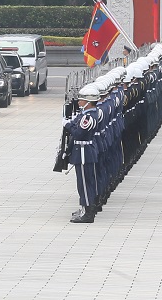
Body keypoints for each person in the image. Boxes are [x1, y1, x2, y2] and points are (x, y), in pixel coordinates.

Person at [65, 84, 101, 223]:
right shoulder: (86, 115)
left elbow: (79, 134)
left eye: (81, 100)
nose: (79, 102)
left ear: (88, 102)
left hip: (84, 152)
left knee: (84, 184)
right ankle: (86, 208)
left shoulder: (88, 118)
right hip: (83, 151)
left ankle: (88, 213)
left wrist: (67, 125)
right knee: (85, 182)